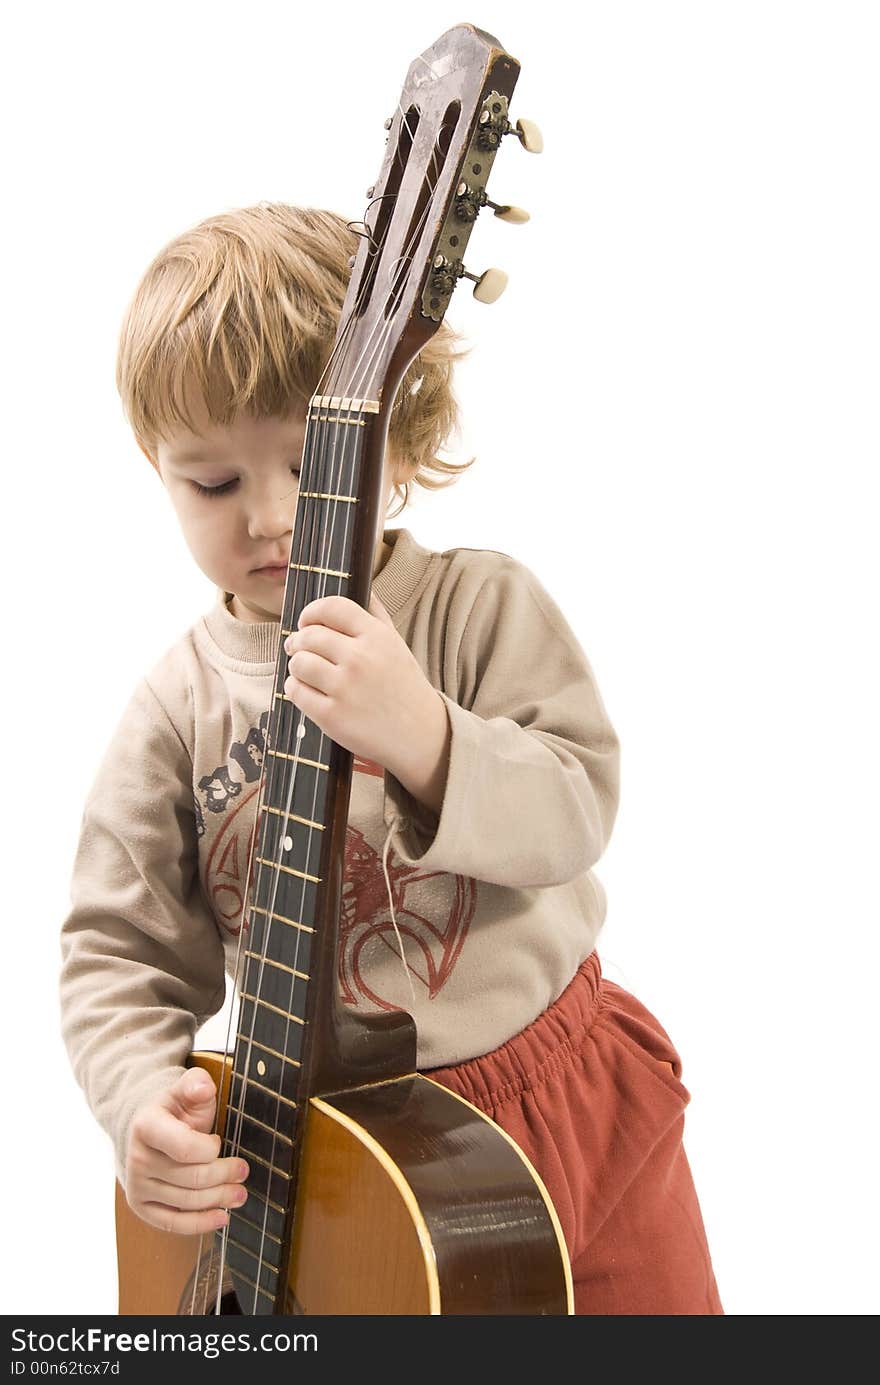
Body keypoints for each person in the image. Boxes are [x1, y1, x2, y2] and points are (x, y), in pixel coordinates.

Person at [60, 202, 723, 1316]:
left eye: (312, 465)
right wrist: (137, 1095)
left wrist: (424, 733)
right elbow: (114, 949)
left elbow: (576, 806)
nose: (272, 517)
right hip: (337, 1168)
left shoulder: (475, 607)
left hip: (558, 1094)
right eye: (213, 483)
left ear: (397, 435)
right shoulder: (176, 707)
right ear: (153, 464)